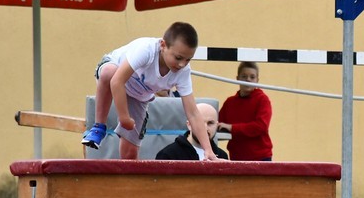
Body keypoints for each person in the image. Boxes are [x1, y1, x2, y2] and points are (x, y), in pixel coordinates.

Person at [81, 22, 221, 161]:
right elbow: (117, 81)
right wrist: (124, 117)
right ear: (163, 45)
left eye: (188, 59)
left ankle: (130, 182)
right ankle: (99, 127)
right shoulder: (146, 50)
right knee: (108, 72)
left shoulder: (183, 72)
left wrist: (208, 150)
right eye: (178, 58)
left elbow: (193, 113)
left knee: (130, 152)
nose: (181, 64)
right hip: (117, 75)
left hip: (139, 95)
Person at [217, 62, 273, 161]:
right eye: (244, 76)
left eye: (252, 77)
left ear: (257, 80)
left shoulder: (262, 100)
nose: (248, 80)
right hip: (236, 157)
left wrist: (232, 128)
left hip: (260, 157)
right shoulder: (230, 102)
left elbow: (260, 126)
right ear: (237, 78)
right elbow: (218, 124)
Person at [155, 102, 230, 160]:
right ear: (189, 125)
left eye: (210, 123)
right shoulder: (169, 155)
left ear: (217, 126)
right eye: (200, 122)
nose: (205, 128)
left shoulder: (222, 156)